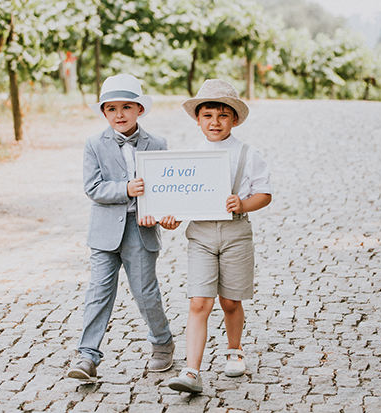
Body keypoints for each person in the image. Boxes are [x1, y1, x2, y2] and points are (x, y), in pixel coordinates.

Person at [67, 74, 178, 383]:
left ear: (140, 109)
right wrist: (126, 188)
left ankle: (162, 343)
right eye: (111, 108)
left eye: (126, 107)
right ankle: (87, 355)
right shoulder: (93, 144)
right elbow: (93, 188)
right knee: (99, 291)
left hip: (140, 229)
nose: (119, 114)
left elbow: (166, 187)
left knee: (145, 290)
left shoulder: (157, 144)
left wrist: (158, 212)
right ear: (104, 112)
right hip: (104, 231)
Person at [166, 79, 273, 393]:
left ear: (234, 120)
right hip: (200, 233)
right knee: (199, 301)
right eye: (208, 116)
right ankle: (191, 371)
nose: (215, 122)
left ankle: (234, 349)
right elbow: (180, 199)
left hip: (236, 231)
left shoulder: (247, 153)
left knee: (229, 300)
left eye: (222, 116)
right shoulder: (189, 157)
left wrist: (243, 203)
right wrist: (170, 218)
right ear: (197, 119)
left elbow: (264, 194)